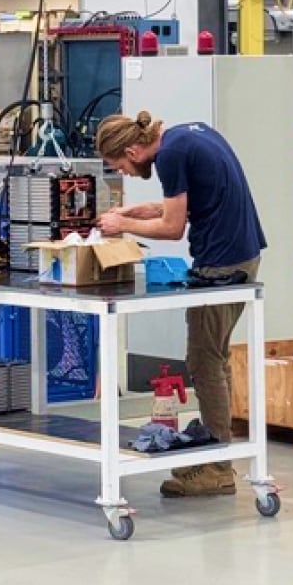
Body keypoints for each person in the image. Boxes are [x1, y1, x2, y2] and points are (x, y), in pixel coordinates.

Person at [96, 110, 266, 499]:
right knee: (215, 359)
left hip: (222, 264)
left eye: (119, 164)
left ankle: (219, 469)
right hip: (240, 254)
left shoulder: (169, 156)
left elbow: (173, 229)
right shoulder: (189, 134)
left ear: (133, 150)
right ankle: (214, 449)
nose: (123, 171)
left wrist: (120, 226)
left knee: (205, 361)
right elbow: (185, 205)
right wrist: (137, 212)